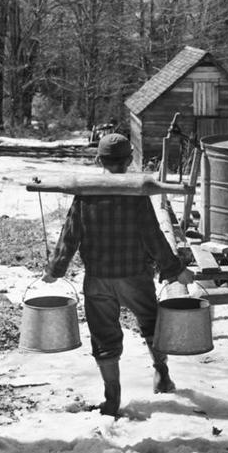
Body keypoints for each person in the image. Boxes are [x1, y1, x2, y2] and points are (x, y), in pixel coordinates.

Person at [43, 133, 189, 417]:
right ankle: (162, 373)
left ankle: (112, 398)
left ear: (99, 159)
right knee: (151, 324)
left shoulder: (85, 193)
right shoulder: (134, 192)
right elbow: (153, 237)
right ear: (129, 160)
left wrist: (54, 270)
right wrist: (175, 270)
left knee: (103, 336)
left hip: (98, 279)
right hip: (134, 275)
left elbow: (70, 235)